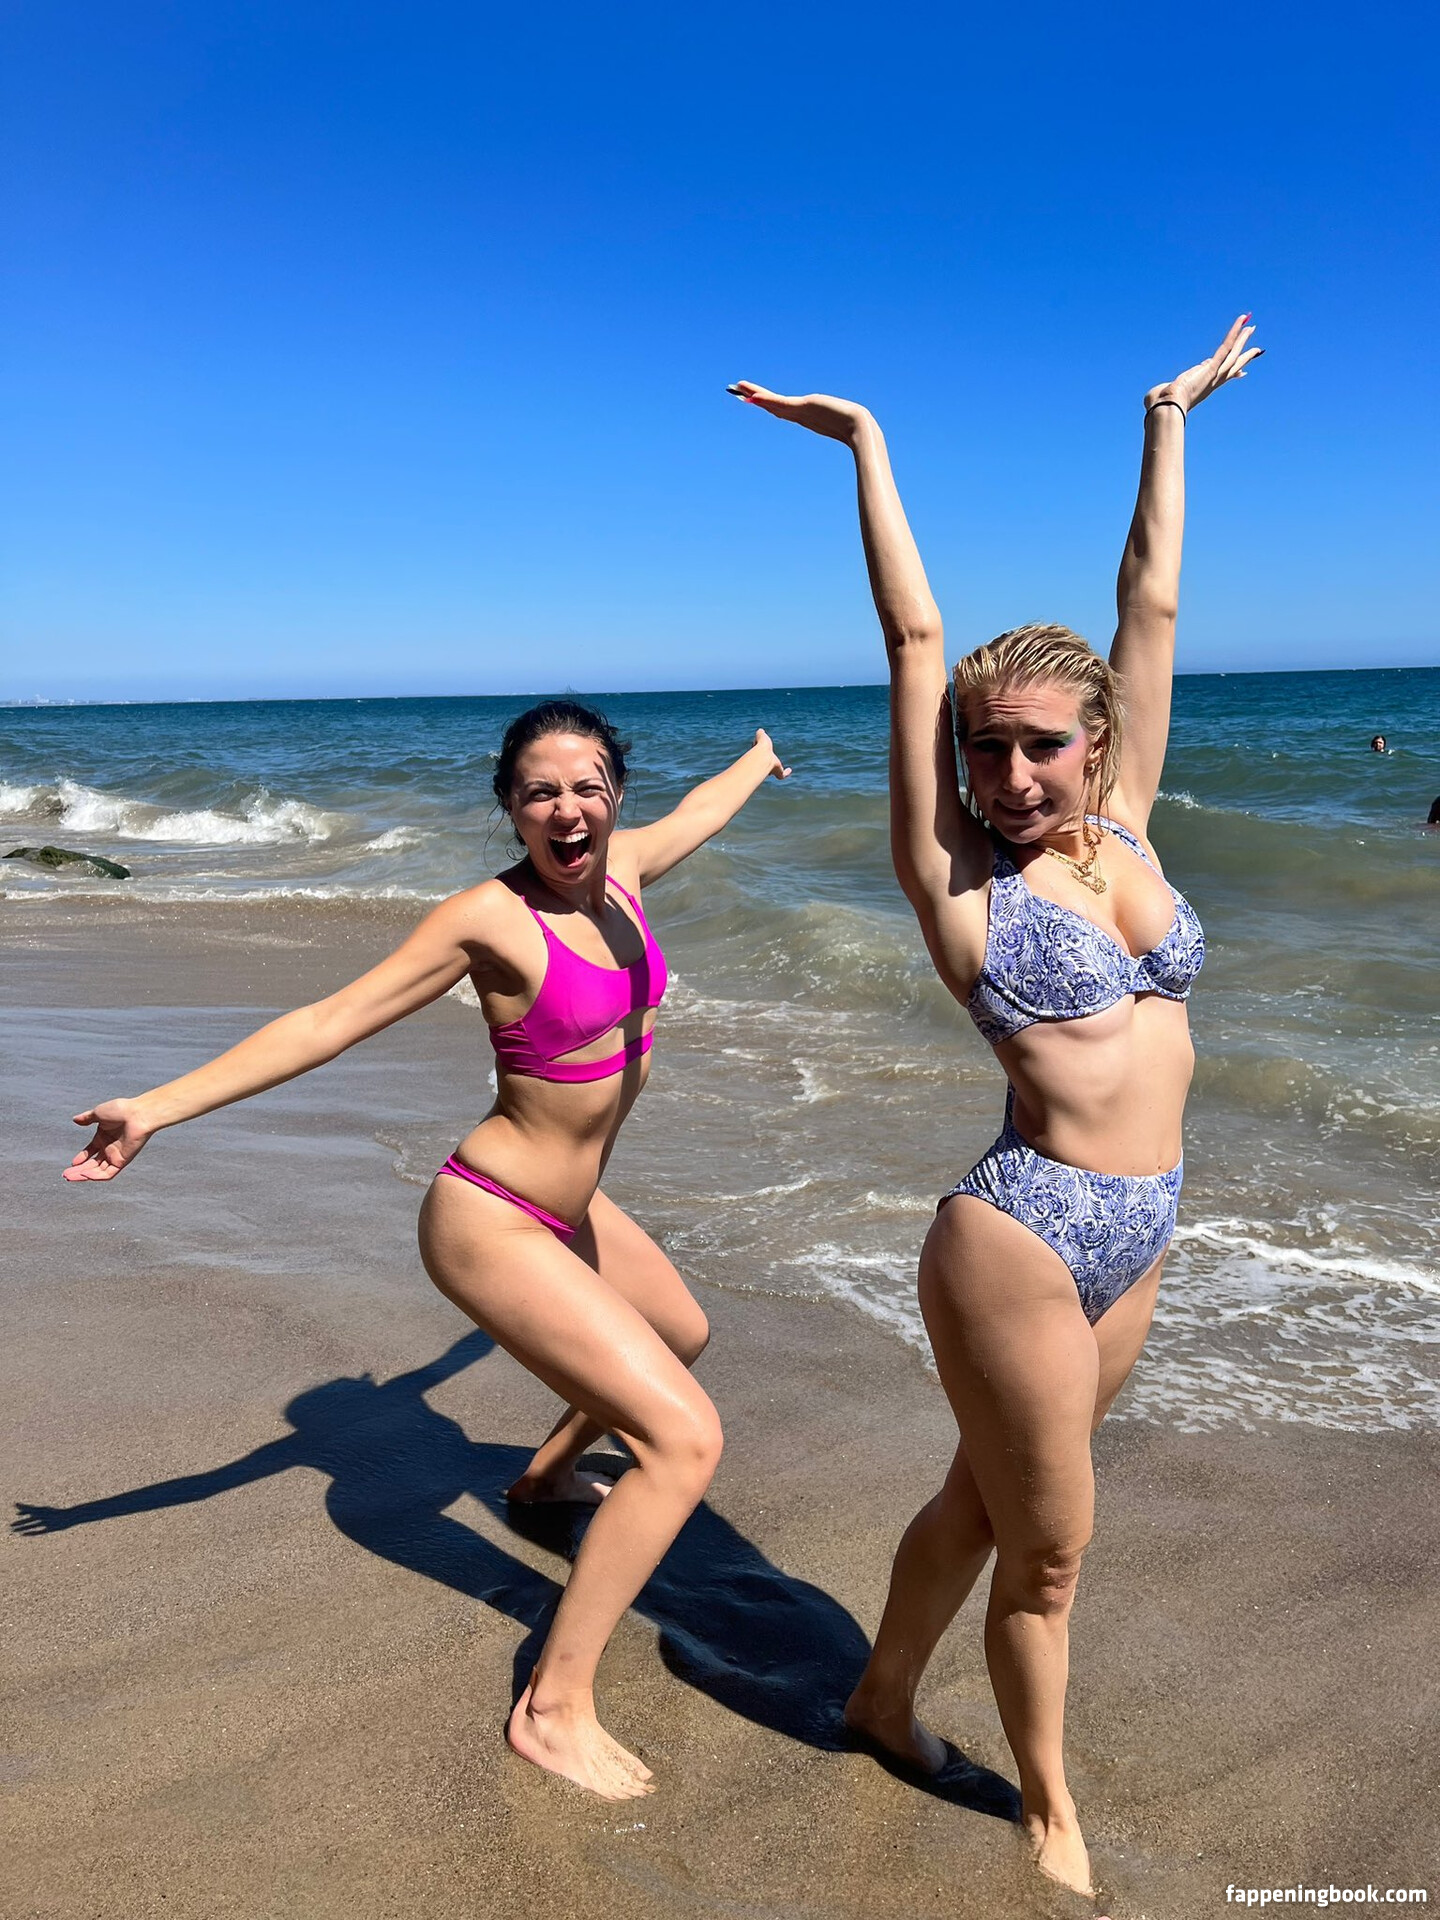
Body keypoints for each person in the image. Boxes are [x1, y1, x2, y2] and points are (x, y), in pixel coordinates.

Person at [730, 314, 1260, 1895]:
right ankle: (1047, 1807)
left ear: (1097, 744)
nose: (1011, 776)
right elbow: (916, 637)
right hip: (1020, 1236)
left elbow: (1150, 602)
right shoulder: (958, 885)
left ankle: (879, 1697)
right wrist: (866, 445)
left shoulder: (1133, 827)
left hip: (1143, 1228)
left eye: (1040, 747)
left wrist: (1169, 419)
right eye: (985, 752)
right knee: (1052, 1549)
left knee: (985, 1496)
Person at [62, 696, 791, 1801]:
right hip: (490, 1216)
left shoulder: (631, 870)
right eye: (540, 793)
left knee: (680, 1332)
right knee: (684, 1439)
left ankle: (545, 1480)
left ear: (614, 795)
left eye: (587, 786)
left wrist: (759, 758)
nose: (567, 809)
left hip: (574, 1206)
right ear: (510, 807)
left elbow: (703, 809)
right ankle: (553, 1708)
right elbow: (326, 1021)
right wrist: (157, 1108)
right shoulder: (486, 920)